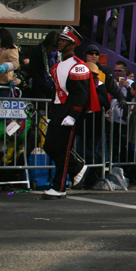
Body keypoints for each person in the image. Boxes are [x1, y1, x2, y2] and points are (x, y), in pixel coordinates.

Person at [42, 27, 100, 199]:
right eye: (59, 39)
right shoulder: (59, 65)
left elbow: (81, 94)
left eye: (64, 40)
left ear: (73, 44)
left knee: (62, 151)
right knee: (50, 146)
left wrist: (73, 115)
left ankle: (59, 187)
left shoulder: (78, 66)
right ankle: (77, 168)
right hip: (60, 109)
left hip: (69, 110)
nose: (59, 42)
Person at [0, 28, 21, 95]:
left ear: (3, 39)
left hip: (4, 82)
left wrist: (5, 67)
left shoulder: (11, 49)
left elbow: (15, 63)